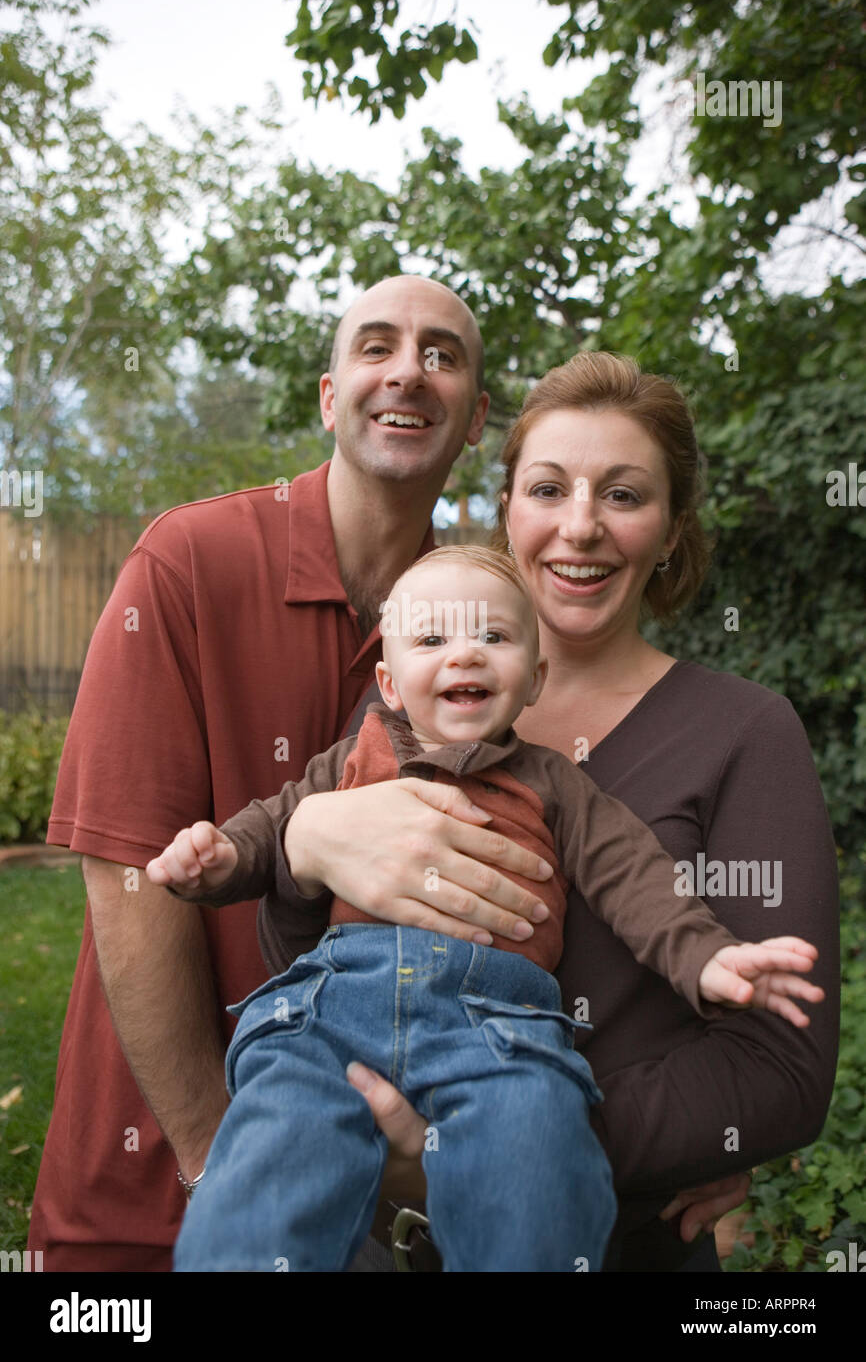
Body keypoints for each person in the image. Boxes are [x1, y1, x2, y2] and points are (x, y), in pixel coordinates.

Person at [31, 273, 560, 1271]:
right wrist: (214, 1162)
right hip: (156, 1194)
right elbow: (130, 873)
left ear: (473, 417)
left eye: (441, 353)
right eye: (377, 345)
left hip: (382, 1207)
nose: (409, 368)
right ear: (329, 395)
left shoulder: (478, 633)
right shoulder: (187, 563)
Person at [275, 353, 841, 1272]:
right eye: (548, 488)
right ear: (508, 511)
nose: (581, 527)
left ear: (669, 530)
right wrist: (301, 847)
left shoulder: (744, 733)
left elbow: (778, 1073)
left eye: (624, 495)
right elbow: (305, 962)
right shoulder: (409, 707)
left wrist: (486, 1145)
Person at [146, 546, 823, 1272]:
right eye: (432, 639)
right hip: (329, 1016)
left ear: (532, 680)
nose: (464, 654)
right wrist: (217, 859)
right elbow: (275, 827)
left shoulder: (554, 785)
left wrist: (706, 958)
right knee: (273, 1165)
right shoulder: (349, 760)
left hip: (499, 1030)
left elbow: (635, 876)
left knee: (536, 1162)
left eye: (493, 637)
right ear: (390, 683)